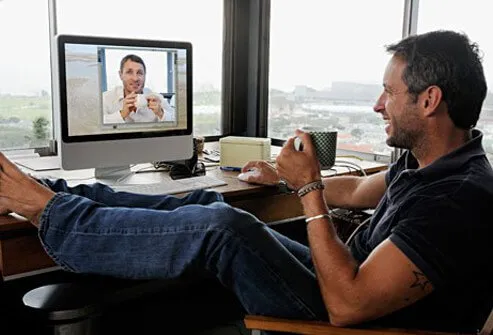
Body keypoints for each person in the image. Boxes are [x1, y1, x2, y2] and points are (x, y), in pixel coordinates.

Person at [0, 30, 492, 333]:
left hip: (351, 318)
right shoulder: (430, 161)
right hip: (346, 279)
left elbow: (348, 306)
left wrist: (308, 191)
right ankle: (52, 195)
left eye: (388, 93)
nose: (377, 106)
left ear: (429, 101)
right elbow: (361, 191)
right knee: (217, 210)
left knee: (223, 232)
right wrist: (283, 177)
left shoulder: (457, 199)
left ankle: (46, 209)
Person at [102, 54, 175, 123]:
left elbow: (178, 121)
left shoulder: (157, 98)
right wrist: (122, 114)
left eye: (139, 73)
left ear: (145, 75)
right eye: (129, 72)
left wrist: (161, 113)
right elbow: (96, 126)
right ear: (121, 75)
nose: (135, 78)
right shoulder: (105, 99)